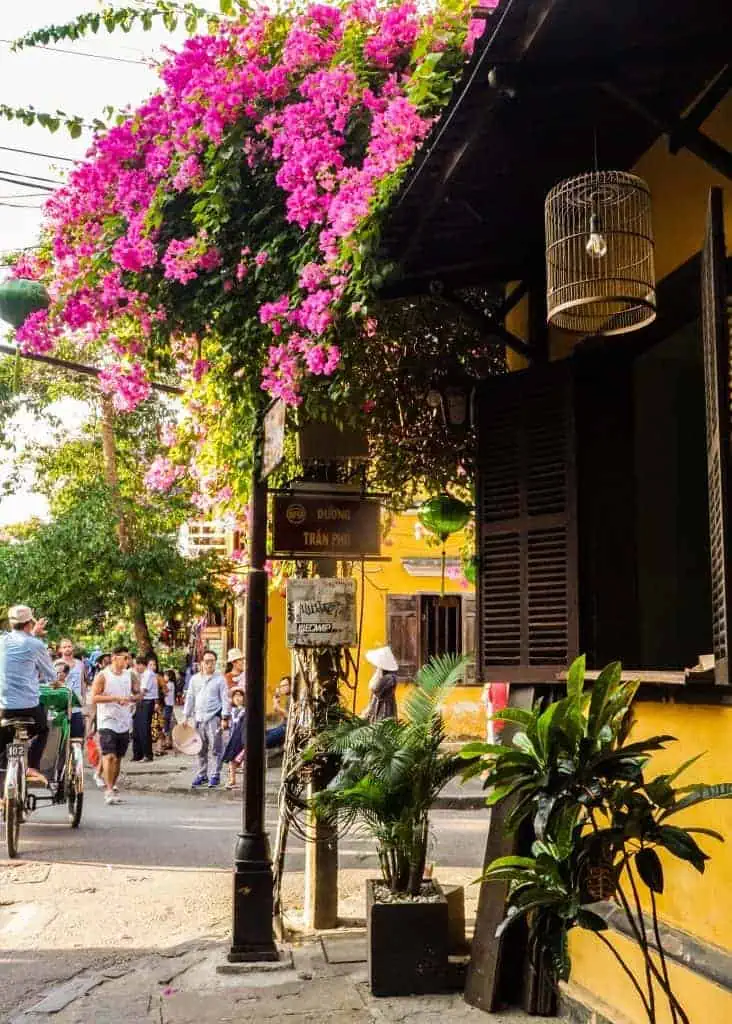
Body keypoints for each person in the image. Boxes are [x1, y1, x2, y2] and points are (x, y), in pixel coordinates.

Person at [0, 605, 56, 784]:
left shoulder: (2, 642)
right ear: (29, 623)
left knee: (3, 742)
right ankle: (32, 765)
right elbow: (51, 675)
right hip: (29, 708)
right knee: (43, 729)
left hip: (5, 708)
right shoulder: (35, 644)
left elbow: (17, 644)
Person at [91, 645, 141, 805]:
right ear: (114, 658)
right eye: (124, 658)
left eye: (128, 658)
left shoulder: (130, 675)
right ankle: (109, 789)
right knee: (109, 755)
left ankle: (112, 784)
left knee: (118, 758)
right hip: (107, 720)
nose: (128, 661)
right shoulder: (103, 676)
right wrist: (114, 698)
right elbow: (94, 697)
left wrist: (134, 698)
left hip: (124, 720)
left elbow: (137, 693)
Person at [183, 649, 231, 788]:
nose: (209, 664)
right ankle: (202, 774)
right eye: (207, 661)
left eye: (212, 661)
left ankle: (215, 774)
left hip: (213, 718)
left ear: (215, 663)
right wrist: (186, 716)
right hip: (198, 718)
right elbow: (190, 697)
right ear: (202, 663)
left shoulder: (219, 679)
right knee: (200, 748)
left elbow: (225, 699)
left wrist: (224, 717)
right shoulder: (195, 679)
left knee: (216, 748)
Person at [57, 637, 86, 740]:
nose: (67, 649)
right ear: (60, 649)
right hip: (61, 709)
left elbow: (82, 683)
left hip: (76, 707)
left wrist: (84, 702)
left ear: (72, 648)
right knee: (61, 741)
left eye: (69, 646)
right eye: (64, 647)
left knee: (78, 739)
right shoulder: (56, 664)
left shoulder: (80, 664)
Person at [132, 654, 158, 762]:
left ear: (141, 665)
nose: (136, 668)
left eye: (137, 666)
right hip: (142, 702)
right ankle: (138, 754)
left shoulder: (148, 674)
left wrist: (131, 699)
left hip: (146, 702)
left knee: (143, 729)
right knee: (137, 728)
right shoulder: (144, 674)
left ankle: (147, 754)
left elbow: (143, 691)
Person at [364, 646, 398, 722]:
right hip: (378, 710)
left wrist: (379, 670)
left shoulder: (389, 678)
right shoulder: (384, 677)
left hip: (384, 711)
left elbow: (374, 688)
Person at [222, 687, 246, 789]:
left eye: (240, 696)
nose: (237, 698)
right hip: (233, 737)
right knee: (232, 760)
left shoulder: (245, 711)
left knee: (241, 759)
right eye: (235, 696)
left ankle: (246, 780)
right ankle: (232, 779)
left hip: (242, 737)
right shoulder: (232, 711)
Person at [162, 670, 176, 747]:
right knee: (166, 721)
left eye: (165, 676)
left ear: (169, 677)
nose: (164, 677)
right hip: (167, 705)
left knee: (166, 720)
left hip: (168, 705)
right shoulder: (169, 684)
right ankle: (167, 739)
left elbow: (164, 692)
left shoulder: (170, 684)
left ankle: (168, 739)